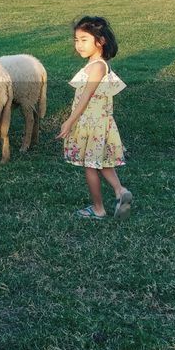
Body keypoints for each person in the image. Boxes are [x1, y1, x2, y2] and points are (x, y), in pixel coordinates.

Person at [56, 16, 133, 220]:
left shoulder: (98, 67)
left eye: (84, 40)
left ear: (100, 42)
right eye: (76, 40)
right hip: (98, 124)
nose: (78, 45)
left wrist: (69, 121)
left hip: (93, 126)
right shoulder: (95, 64)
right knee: (104, 162)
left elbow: (86, 97)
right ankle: (120, 191)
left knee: (90, 167)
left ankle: (98, 209)